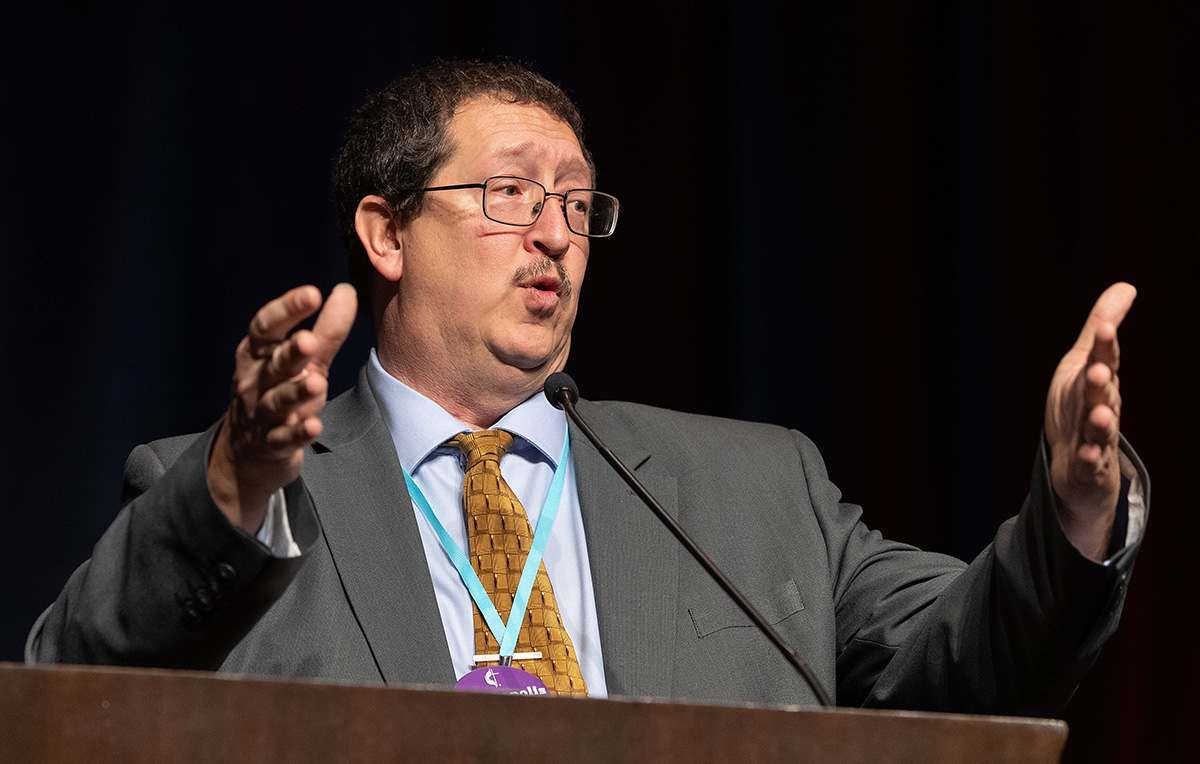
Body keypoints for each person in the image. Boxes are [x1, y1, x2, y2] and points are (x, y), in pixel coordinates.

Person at [27, 59, 1144, 712]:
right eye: (511, 193)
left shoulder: (755, 486)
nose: (554, 234)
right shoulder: (223, 495)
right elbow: (69, 691)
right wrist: (231, 487)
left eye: (577, 203)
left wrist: (1076, 508)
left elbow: (974, 652)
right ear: (387, 232)